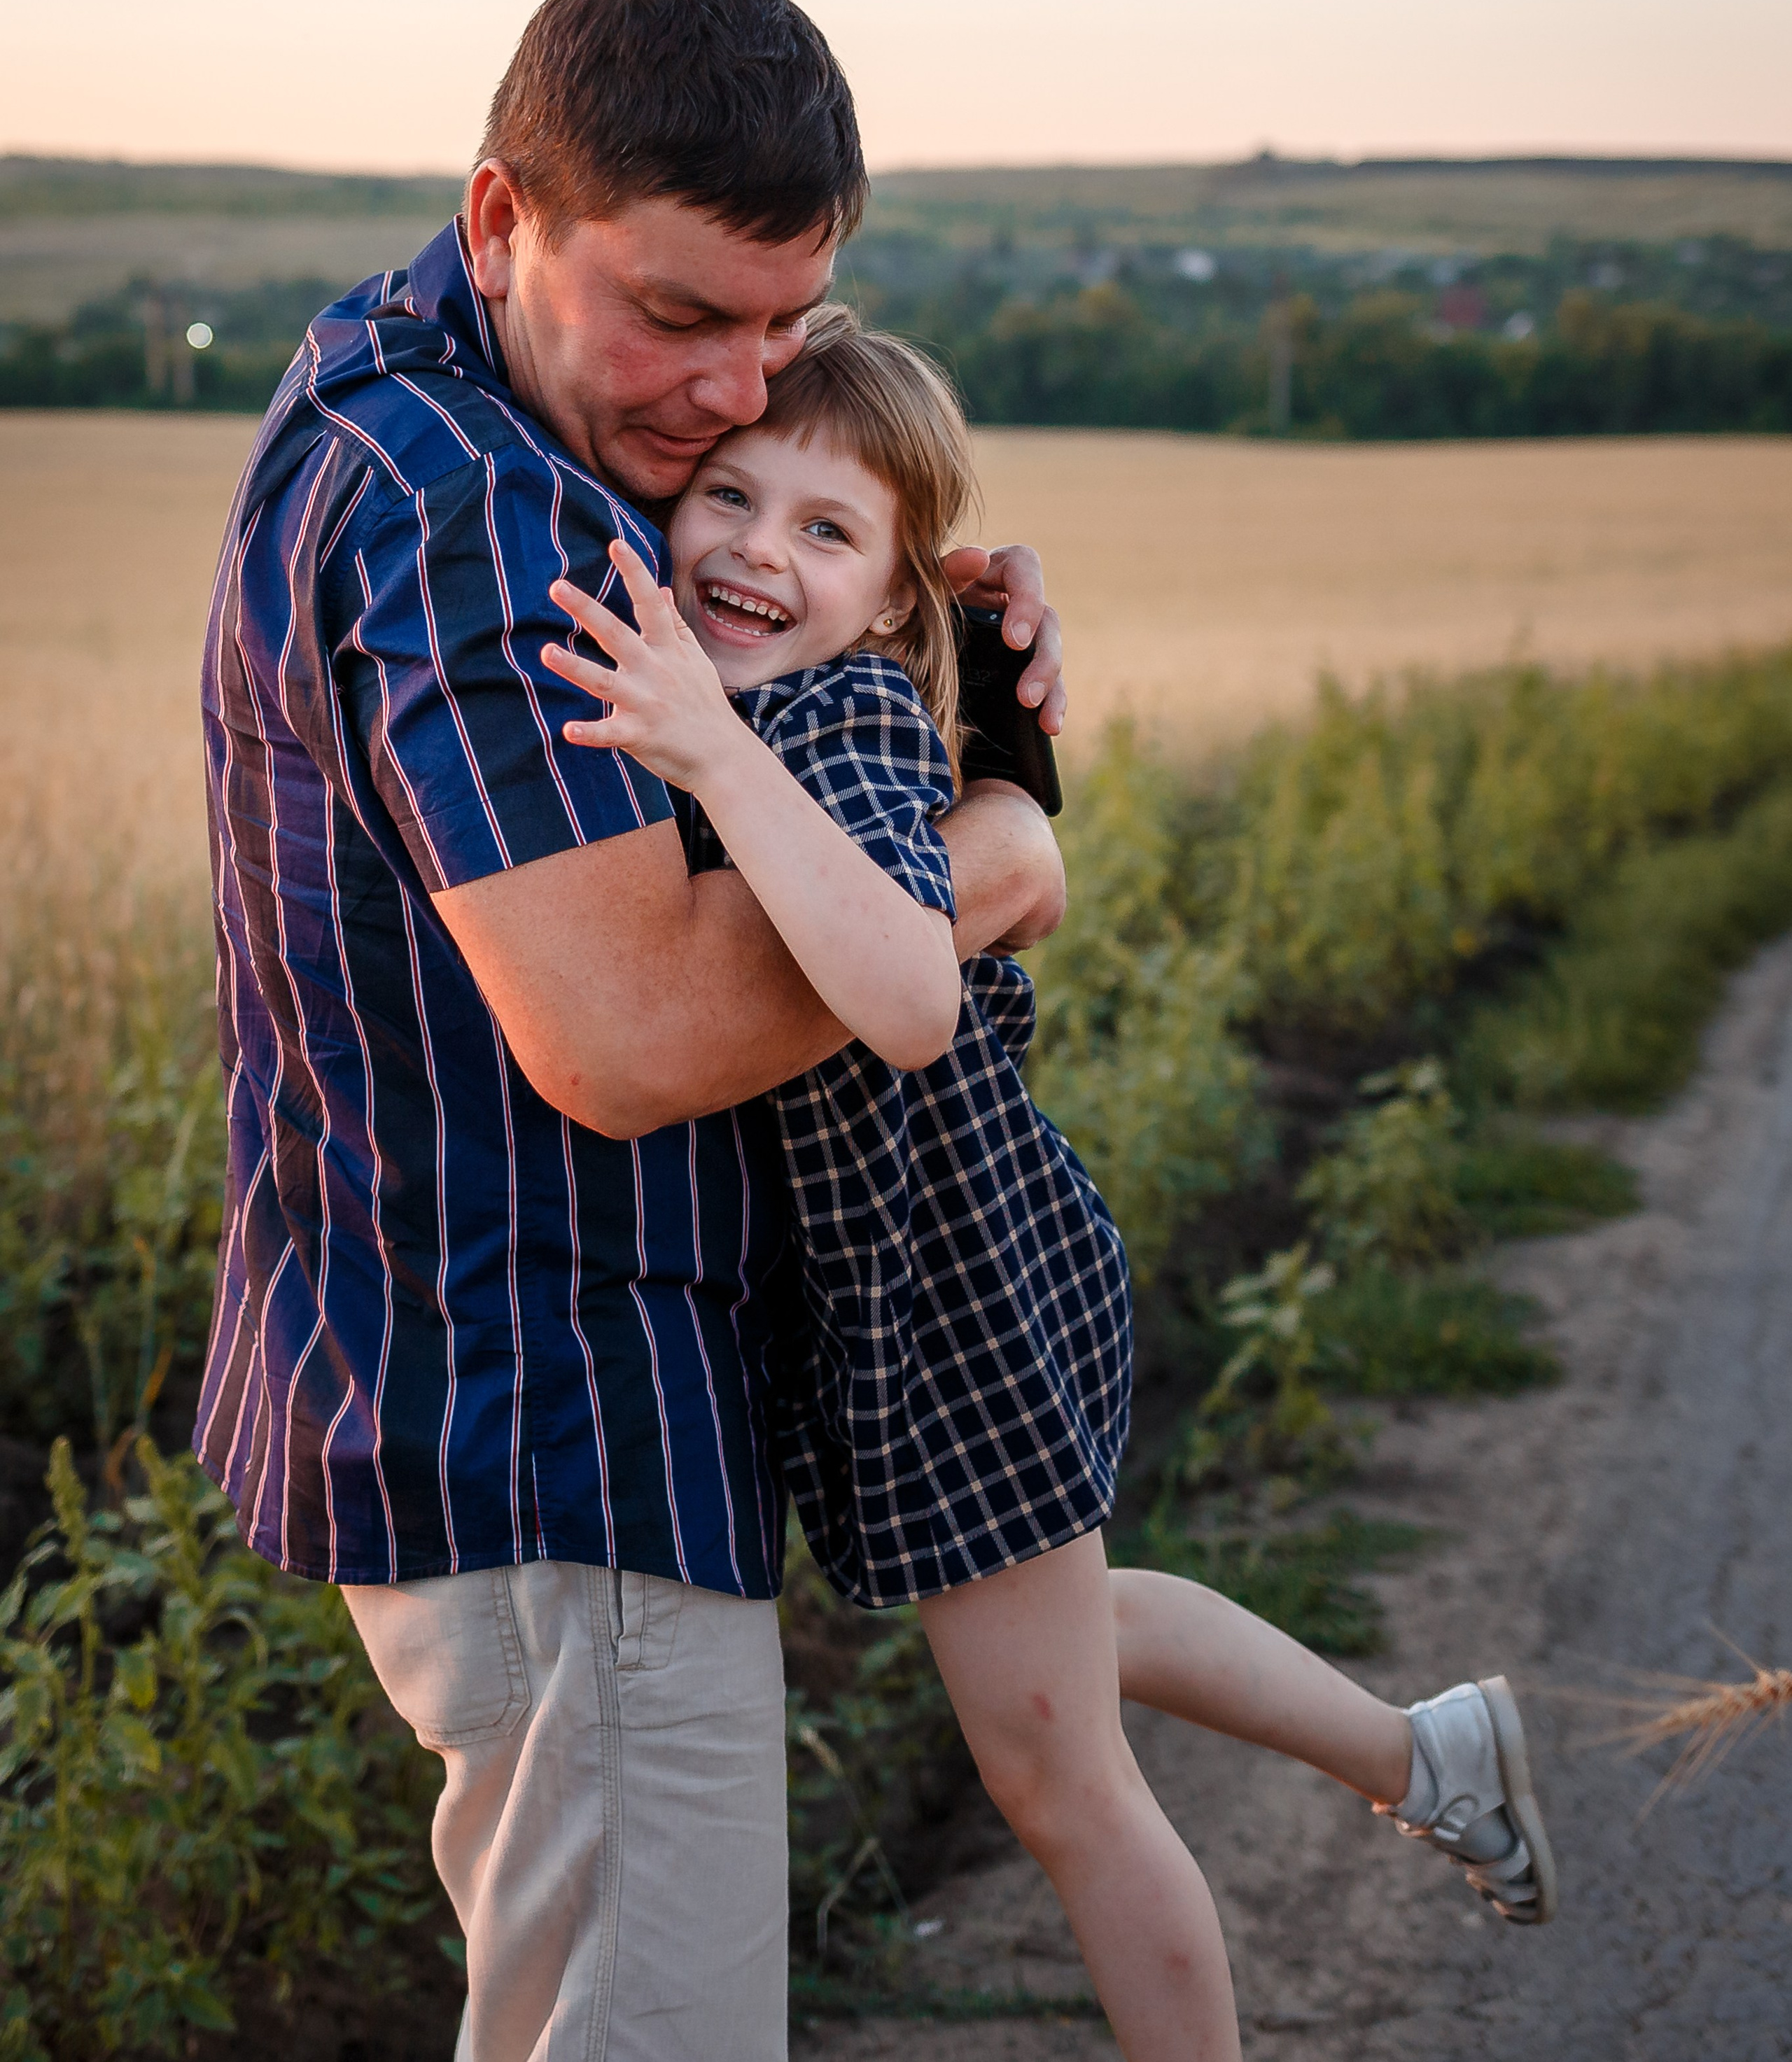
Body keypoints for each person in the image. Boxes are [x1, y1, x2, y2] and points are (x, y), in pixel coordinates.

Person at [193, 0, 1071, 2061]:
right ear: (503, 218)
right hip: (554, 1418)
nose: (734, 390)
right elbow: (634, 1037)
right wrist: (994, 852)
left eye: (783, 324)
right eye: (680, 316)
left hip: (508, 1405)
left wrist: (925, 686)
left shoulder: (413, 385)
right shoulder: (471, 506)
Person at [544, 306, 1558, 2062]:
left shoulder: (835, 720)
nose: (756, 550)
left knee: (1056, 1779)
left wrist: (711, 748)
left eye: (824, 527)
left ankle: (1387, 1812)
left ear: (893, 594)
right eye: (726, 495)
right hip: (935, 1281)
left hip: (959, 1292)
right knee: (1061, 1638)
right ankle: (1427, 1753)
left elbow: (907, 997)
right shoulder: (796, 689)